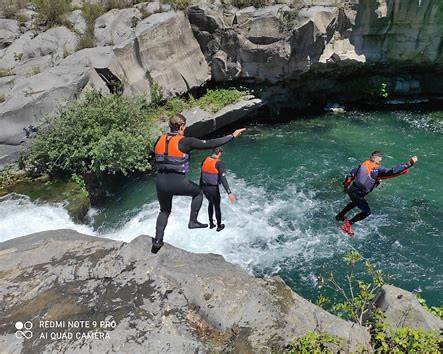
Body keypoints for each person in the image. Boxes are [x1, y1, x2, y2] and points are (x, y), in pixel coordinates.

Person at [152, 113, 246, 253]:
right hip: (176, 181)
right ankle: (192, 221)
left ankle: (158, 241)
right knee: (198, 192)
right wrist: (232, 136)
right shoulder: (185, 142)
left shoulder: (159, 139)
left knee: (164, 211)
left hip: (160, 181)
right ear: (181, 126)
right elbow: (210, 144)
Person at [336, 151, 418, 237]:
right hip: (358, 194)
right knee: (367, 212)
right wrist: (409, 163)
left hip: (352, 191)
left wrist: (346, 187)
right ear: (376, 158)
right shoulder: (376, 169)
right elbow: (393, 171)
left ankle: (340, 216)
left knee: (354, 202)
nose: (380, 160)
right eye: (380, 158)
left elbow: (350, 175)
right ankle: (348, 224)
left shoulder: (362, 165)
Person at [200, 148, 236, 232]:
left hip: (205, 187)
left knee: (210, 203)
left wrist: (200, 187)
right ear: (219, 153)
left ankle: (211, 223)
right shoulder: (219, 163)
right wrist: (229, 193)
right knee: (217, 206)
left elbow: (202, 174)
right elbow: (223, 178)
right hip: (213, 189)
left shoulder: (205, 160)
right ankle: (219, 226)